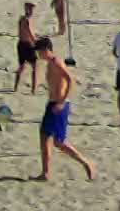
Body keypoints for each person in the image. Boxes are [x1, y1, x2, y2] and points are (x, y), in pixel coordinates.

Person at [34, 37, 97, 181]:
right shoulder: (50, 63)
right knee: (45, 136)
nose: (38, 55)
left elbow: (70, 80)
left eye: (39, 51)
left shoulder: (56, 62)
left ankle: (86, 163)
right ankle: (46, 172)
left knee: (59, 142)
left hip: (59, 105)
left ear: (46, 50)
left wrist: (62, 102)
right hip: (52, 103)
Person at [14, 2, 42, 93]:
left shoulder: (21, 18)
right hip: (28, 45)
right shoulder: (28, 20)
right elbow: (29, 32)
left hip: (20, 44)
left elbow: (21, 32)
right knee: (35, 67)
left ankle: (15, 87)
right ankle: (33, 90)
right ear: (29, 10)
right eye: (32, 9)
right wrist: (36, 42)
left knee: (21, 66)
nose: (33, 11)